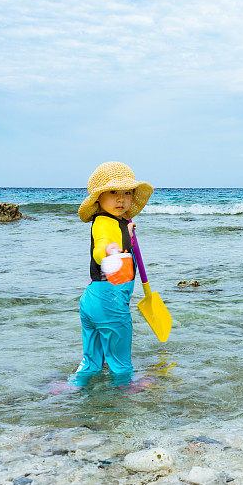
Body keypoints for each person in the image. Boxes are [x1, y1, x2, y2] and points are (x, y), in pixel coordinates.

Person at [71, 161, 154, 387]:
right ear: (98, 197)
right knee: (120, 363)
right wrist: (107, 251)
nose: (121, 199)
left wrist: (126, 232)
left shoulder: (113, 221)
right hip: (110, 303)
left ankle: (74, 388)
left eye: (127, 193)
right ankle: (125, 397)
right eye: (114, 192)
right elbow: (101, 245)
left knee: (92, 361)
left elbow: (112, 235)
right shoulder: (105, 224)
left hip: (92, 300)